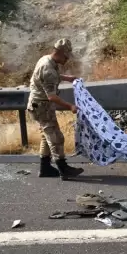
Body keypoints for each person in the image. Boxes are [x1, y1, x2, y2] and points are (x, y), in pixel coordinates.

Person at [27, 38, 84, 180]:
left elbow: (52, 76)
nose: (67, 59)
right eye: (66, 56)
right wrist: (70, 106)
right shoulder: (48, 70)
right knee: (56, 137)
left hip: (38, 104)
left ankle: (45, 168)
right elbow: (52, 97)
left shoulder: (46, 60)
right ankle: (63, 169)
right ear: (59, 52)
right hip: (42, 107)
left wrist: (67, 78)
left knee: (46, 136)